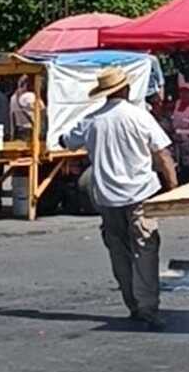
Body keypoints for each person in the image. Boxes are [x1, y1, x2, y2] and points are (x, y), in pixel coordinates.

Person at [61, 67, 178, 331]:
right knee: (145, 249)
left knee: (119, 251)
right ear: (125, 89)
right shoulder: (139, 117)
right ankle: (147, 307)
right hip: (140, 194)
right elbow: (163, 155)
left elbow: (67, 140)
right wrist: (173, 190)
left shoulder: (92, 120)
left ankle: (133, 305)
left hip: (107, 197)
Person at [10, 74, 37, 140]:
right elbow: (42, 109)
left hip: (18, 129)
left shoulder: (13, 97)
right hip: (29, 129)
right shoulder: (29, 96)